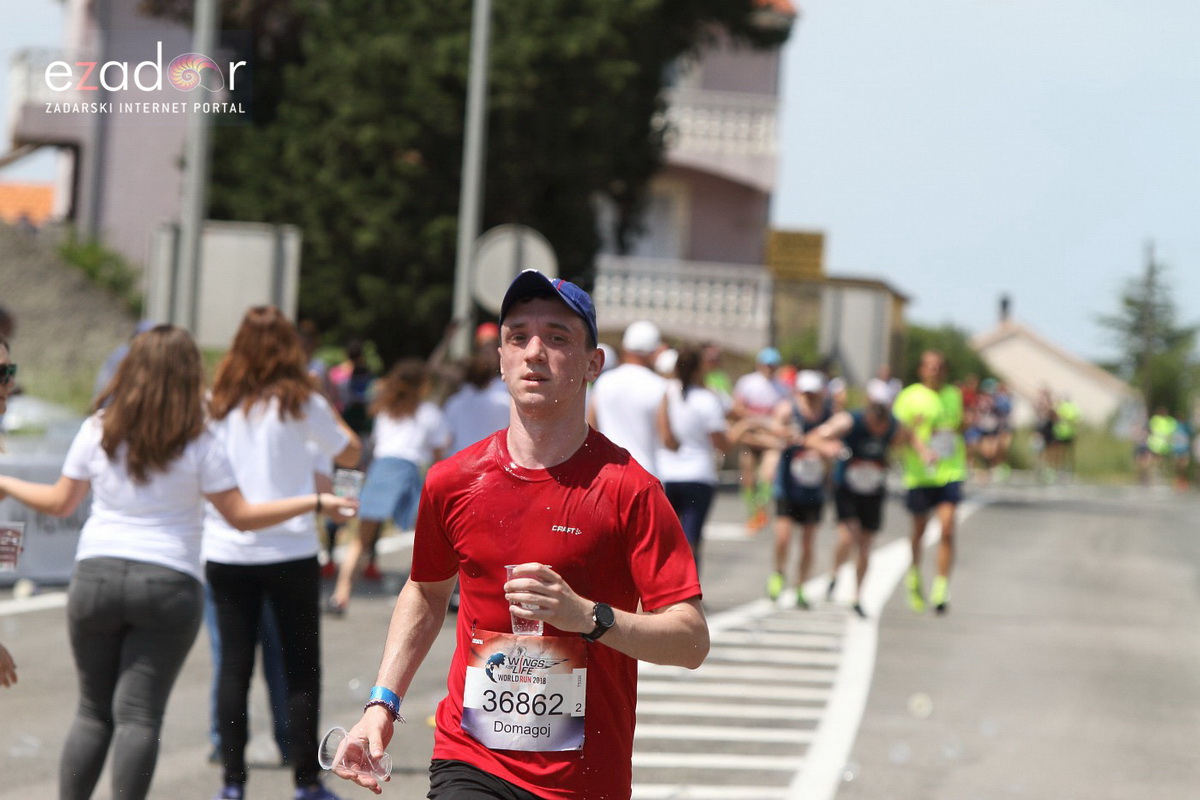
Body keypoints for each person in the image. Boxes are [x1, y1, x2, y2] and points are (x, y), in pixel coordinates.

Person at [330, 269, 708, 799]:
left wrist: (587, 617)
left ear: (592, 364)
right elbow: (426, 591)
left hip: (585, 778)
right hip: (472, 758)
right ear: (501, 359)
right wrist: (381, 704)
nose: (534, 352)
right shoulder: (453, 482)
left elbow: (691, 640)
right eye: (518, 337)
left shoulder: (631, 490)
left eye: (557, 338)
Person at [0, 325, 357, 800]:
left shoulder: (98, 428)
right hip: (167, 580)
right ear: (189, 376)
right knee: (139, 716)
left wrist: (5, 482)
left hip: (96, 574)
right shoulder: (199, 440)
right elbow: (242, 517)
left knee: (92, 711)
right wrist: (314, 501)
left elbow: (60, 502)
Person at [204, 307, 363, 800]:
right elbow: (351, 452)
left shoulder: (217, 402)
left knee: (233, 667)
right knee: (300, 666)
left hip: (228, 549)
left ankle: (233, 782)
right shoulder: (302, 402)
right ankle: (306, 781)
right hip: (291, 547)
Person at [328, 358, 450, 615]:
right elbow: (440, 456)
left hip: (381, 469)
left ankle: (341, 594)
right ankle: (412, 594)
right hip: (406, 472)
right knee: (424, 538)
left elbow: (377, 444)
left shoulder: (385, 409)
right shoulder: (429, 413)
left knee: (362, 537)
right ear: (422, 384)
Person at [806, 378, 903, 618]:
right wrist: (828, 448)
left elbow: (910, 441)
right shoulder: (849, 421)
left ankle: (858, 596)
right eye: (875, 425)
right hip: (847, 487)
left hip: (873, 490)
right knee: (849, 536)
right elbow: (813, 438)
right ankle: (834, 573)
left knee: (866, 545)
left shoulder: (895, 426)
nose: (878, 431)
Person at [891, 350, 966, 615]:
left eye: (939, 366)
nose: (934, 371)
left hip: (949, 471)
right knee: (919, 530)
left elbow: (958, 426)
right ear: (921, 370)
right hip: (920, 474)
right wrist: (917, 440)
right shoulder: (909, 396)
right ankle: (914, 575)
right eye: (929, 367)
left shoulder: (953, 395)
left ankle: (941, 586)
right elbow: (898, 434)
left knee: (947, 528)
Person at [656, 345, 729, 572]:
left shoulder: (667, 392)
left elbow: (665, 434)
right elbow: (720, 442)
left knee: (667, 537)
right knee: (692, 538)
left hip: (667, 472)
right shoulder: (707, 399)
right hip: (699, 475)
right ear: (700, 369)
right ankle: (689, 591)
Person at [767, 369, 833, 607]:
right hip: (788, 483)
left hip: (813, 487)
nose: (810, 397)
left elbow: (836, 440)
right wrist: (787, 433)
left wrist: (822, 448)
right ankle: (779, 571)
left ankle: (801, 586)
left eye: (814, 393)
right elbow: (773, 428)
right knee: (783, 537)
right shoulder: (787, 409)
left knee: (807, 542)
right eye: (806, 393)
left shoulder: (827, 414)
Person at [587, 319, 668, 476]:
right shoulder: (659, 386)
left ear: (625, 348)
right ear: (653, 352)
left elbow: (590, 427)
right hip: (646, 473)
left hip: (607, 471)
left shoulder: (604, 381)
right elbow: (666, 437)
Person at [728, 347, 788, 532]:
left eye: (772, 365)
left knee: (768, 474)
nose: (769, 369)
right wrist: (756, 421)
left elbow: (784, 415)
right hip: (751, 435)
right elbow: (737, 409)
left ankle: (761, 509)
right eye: (766, 365)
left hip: (769, 437)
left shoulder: (783, 388)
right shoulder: (748, 383)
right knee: (748, 476)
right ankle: (752, 511)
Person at [442, 353, 510, 457]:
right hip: (493, 460)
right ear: (490, 376)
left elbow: (447, 438)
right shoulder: (505, 402)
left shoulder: (455, 403)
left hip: (461, 459)